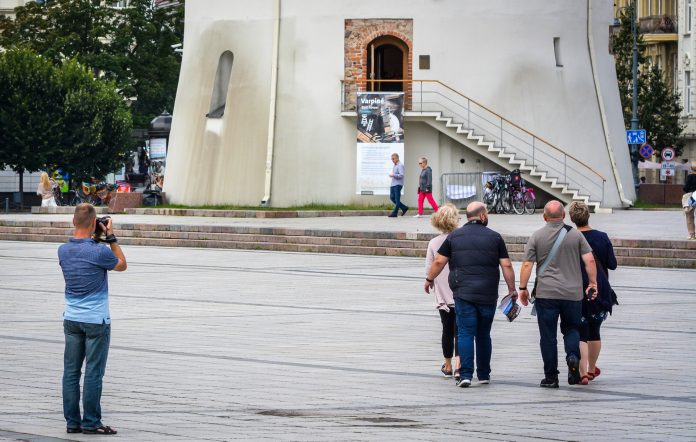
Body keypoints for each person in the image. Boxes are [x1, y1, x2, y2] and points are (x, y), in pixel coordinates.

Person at [425, 201, 517, 387]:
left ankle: (465, 374)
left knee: (465, 333)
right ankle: (483, 374)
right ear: (482, 216)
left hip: (463, 293)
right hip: (487, 294)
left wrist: (429, 279)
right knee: (484, 334)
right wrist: (512, 289)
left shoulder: (454, 237)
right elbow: (506, 264)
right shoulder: (495, 237)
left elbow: (439, 261)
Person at [58, 204, 127, 435]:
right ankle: (91, 422)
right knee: (93, 372)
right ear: (93, 222)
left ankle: (72, 422)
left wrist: (94, 236)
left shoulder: (63, 251)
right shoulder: (100, 252)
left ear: (73, 222)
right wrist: (110, 237)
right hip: (96, 321)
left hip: (72, 319)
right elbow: (121, 265)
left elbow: (83, 252)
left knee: (71, 372)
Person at [518, 200, 598, 388]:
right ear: (563, 216)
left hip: (546, 294)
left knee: (548, 336)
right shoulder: (576, 235)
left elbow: (527, 264)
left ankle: (551, 377)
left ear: (544, 216)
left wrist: (522, 288)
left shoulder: (536, 236)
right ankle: (572, 357)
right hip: (573, 294)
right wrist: (593, 283)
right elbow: (590, 260)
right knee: (572, 329)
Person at [568, 202, 617, 385]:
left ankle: (582, 374)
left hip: (576, 287)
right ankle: (590, 369)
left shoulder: (569, 237)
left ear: (572, 219)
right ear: (588, 216)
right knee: (595, 330)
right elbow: (612, 264)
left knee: (581, 331)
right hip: (599, 288)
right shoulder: (602, 237)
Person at [425, 204, 460, 378]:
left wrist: (429, 281)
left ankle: (447, 365)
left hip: (443, 296)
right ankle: (460, 365)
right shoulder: (460, 239)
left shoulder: (433, 243)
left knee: (447, 329)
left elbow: (429, 269)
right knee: (461, 331)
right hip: (460, 292)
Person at [388, 153, 409, 217]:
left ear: (397, 158)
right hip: (393, 184)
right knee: (392, 198)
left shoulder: (400, 165)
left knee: (397, 199)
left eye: (393, 159)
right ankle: (404, 208)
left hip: (398, 185)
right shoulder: (395, 165)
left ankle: (395, 213)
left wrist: (393, 175)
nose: (392, 160)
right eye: (392, 159)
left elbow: (401, 175)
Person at [682, 162, 696, 240]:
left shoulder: (690, 176)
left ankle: (691, 234)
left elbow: (686, 188)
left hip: (691, 197)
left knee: (690, 216)